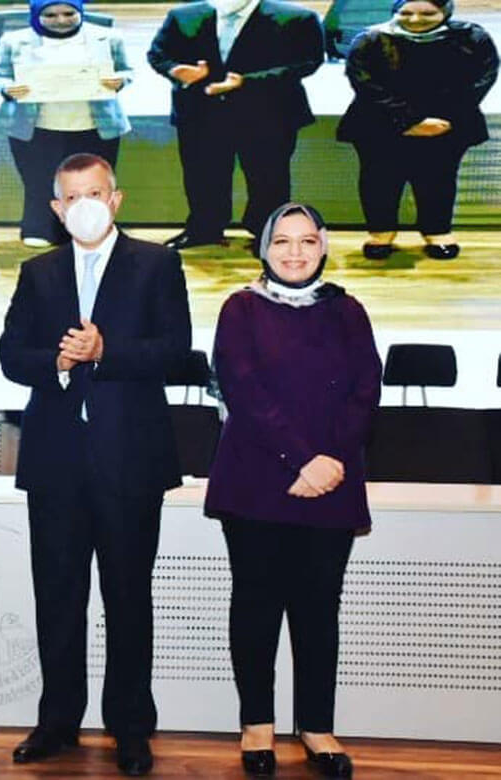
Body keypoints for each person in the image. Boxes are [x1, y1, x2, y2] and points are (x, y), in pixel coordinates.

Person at [0, 153, 191, 776]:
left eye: (95, 192)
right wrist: (56, 363)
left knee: (128, 598)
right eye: (70, 196)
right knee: (57, 597)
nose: (84, 203)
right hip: (56, 465)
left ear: (116, 199)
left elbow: (174, 347)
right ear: (55, 208)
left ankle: (131, 727)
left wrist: (107, 350)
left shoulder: (157, 263)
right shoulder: (38, 271)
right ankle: (57, 722)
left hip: (131, 461)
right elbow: (10, 353)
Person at [206, 203, 381, 779]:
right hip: (257, 482)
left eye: (307, 241)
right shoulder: (240, 308)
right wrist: (303, 459)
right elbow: (244, 388)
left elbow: (365, 389)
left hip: (331, 484)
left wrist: (328, 462)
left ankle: (316, 727)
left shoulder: (348, 310)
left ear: (324, 245)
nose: (295, 252)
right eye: (283, 241)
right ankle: (256, 726)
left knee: (317, 613)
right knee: (255, 608)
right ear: (265, 247)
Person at [147, 0, 324, 251]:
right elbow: (158, 54)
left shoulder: (298, 17)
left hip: (268, 113)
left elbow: (308, 61)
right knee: (202, 176)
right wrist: (175, 70)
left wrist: (246, 82)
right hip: (201, 112)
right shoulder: (182, 15)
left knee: (268, 178)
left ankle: (266, 233)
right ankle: (204, 229)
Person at [337, 0, 498, 260]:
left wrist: (440, 119)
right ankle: (381, 233)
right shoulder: (371, 38)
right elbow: (365, 83)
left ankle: (437, 232)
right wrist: (409, 121)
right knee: (380, 180)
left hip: (446, 124)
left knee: (439, 179)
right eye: (406, 13)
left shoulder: (471, 37)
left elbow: (482, 79)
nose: (415, 20)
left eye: (427, 13)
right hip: (380, 123)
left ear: (445, 12)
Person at [0, 0, 132, 248]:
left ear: (81, 12)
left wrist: (120, 81)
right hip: (36, 125)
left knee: (94, 183)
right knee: (38, 181)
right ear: (36, 14)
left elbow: (127, 71)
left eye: (69, 13)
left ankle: (95, 229)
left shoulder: (108, 37)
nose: (61, 20)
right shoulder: (14, 40)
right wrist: (7, 88)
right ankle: (40, 228)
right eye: (50, 15)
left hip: (95, 125)